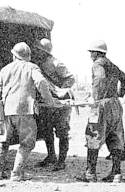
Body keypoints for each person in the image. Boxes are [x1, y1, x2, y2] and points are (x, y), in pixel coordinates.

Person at [0, 42, 56, 181]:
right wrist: (49, 100)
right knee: (26, 143)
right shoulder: (32, 67)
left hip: (6, 111)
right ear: (28, 56)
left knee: (3, 141)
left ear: (14, 55)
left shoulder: (5, 69)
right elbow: (41, 83)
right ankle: (16, 174)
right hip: (25, 110)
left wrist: (3, 99)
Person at [76, 40, 125, 183]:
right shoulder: (112, 64)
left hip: (101, 105)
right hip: (115, 104)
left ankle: (90, 173)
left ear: (96, 52)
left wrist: (97, 97)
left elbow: (100, 78)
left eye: (91, 53)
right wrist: (119, 94)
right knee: (115, 138)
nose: (90, 56)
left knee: (93, 136)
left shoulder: (98, 64)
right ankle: (116, 173)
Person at [33, 38, 76, 171]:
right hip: (48, 102)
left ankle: (61, 161)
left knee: (62, 131)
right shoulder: (38, 64)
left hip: (60, 103)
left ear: (44, 51)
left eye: (39, 50)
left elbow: (70, 78)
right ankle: (51, 156)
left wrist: (60, 91)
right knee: (47, 129)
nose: (37, 52)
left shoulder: (56, 63)